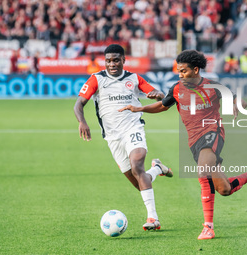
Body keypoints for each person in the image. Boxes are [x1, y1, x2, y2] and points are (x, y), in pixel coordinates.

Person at [119, 50, 247, 240]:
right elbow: (162, 106)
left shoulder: (212, 86)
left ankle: (208, 227)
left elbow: (235, 98)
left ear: (195, 70)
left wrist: (237, 103)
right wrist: (140, 108)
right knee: (224, 189)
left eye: (183, 71)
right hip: (194, 139)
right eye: (178, 71)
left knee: (203, 171)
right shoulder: (176, 88)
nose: (180, 74)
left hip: (212, 132)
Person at [74, 44, 173, 231]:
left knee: (137, 166)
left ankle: (153, 218)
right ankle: (157, 169)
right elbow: (78, 104)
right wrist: (82, 122)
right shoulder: (96, 79)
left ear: (123, 60)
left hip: (133, 128)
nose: (112, 64)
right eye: (109, 60)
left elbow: (158, 95)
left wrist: (157, 94)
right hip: (112, 137)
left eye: (116, 60)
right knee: (139, 182)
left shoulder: (133, 79)